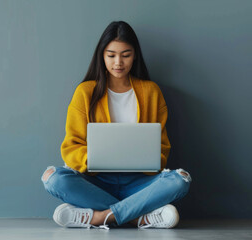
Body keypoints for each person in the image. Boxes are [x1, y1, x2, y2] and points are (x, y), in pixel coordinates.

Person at [41, 21, 192, 230]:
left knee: (180, 180)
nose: (118, 62)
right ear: (102, 56)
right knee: (53, 178)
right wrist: (94, 159)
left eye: (125, 55)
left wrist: (148, 159)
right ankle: (139, 217)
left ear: (135, 55)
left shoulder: (151, 92)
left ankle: (98, 217)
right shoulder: (85, 92)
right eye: (111, 55)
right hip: (96, 181)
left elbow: (162, 148)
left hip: (139, 183)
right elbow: (71, 146)